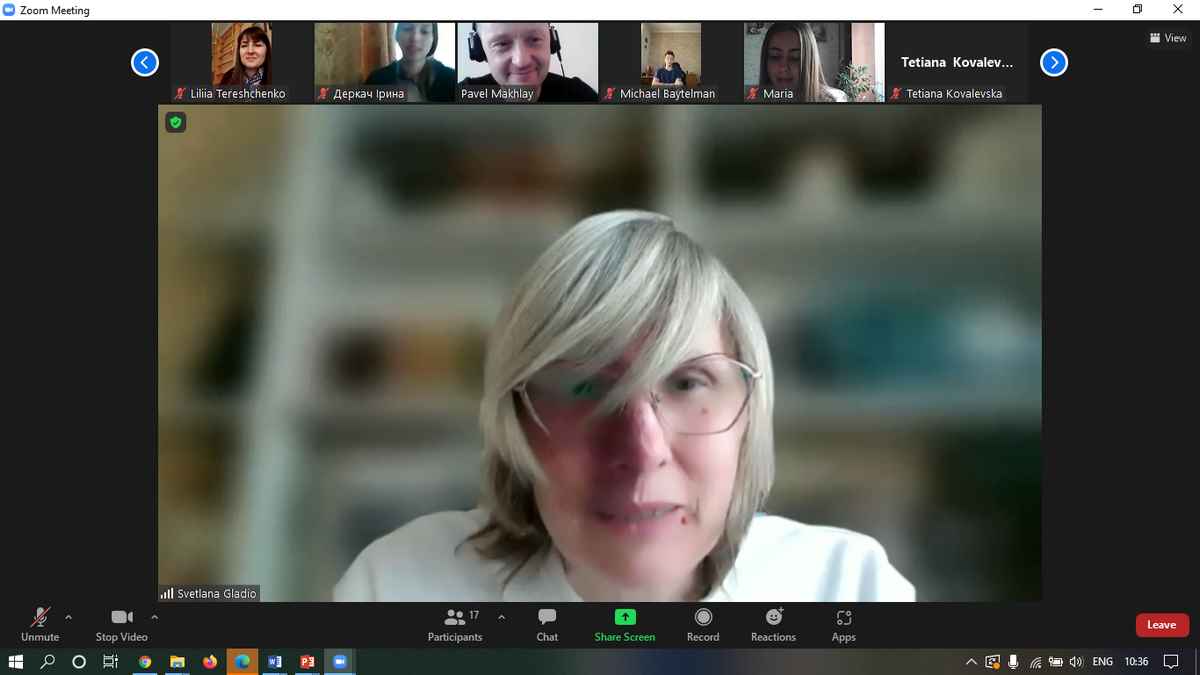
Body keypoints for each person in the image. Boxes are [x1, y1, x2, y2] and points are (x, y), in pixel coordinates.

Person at [334, 211, 916, 602]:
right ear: (515, 418)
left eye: (687, 383)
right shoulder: (398, 586)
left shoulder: (848, 588)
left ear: (748, 412)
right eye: (584, 386)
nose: (642, 451)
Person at [459, 22, 598, 102]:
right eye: (502, 44)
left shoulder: (580, 95)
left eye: (534, 39)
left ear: (552, 42)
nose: (521, 62)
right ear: (479, 50)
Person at [363, 22, 455, 102]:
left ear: (434, 38)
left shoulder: (452, 80)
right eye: (407, 28)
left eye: (424, 31)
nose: (415, 38)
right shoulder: (376, 80)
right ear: (397, 35)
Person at [758, 22, 849, 102]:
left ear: (809, 61)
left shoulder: (835, 100)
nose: (783, 67)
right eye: (775, 56)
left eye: (795, 57)